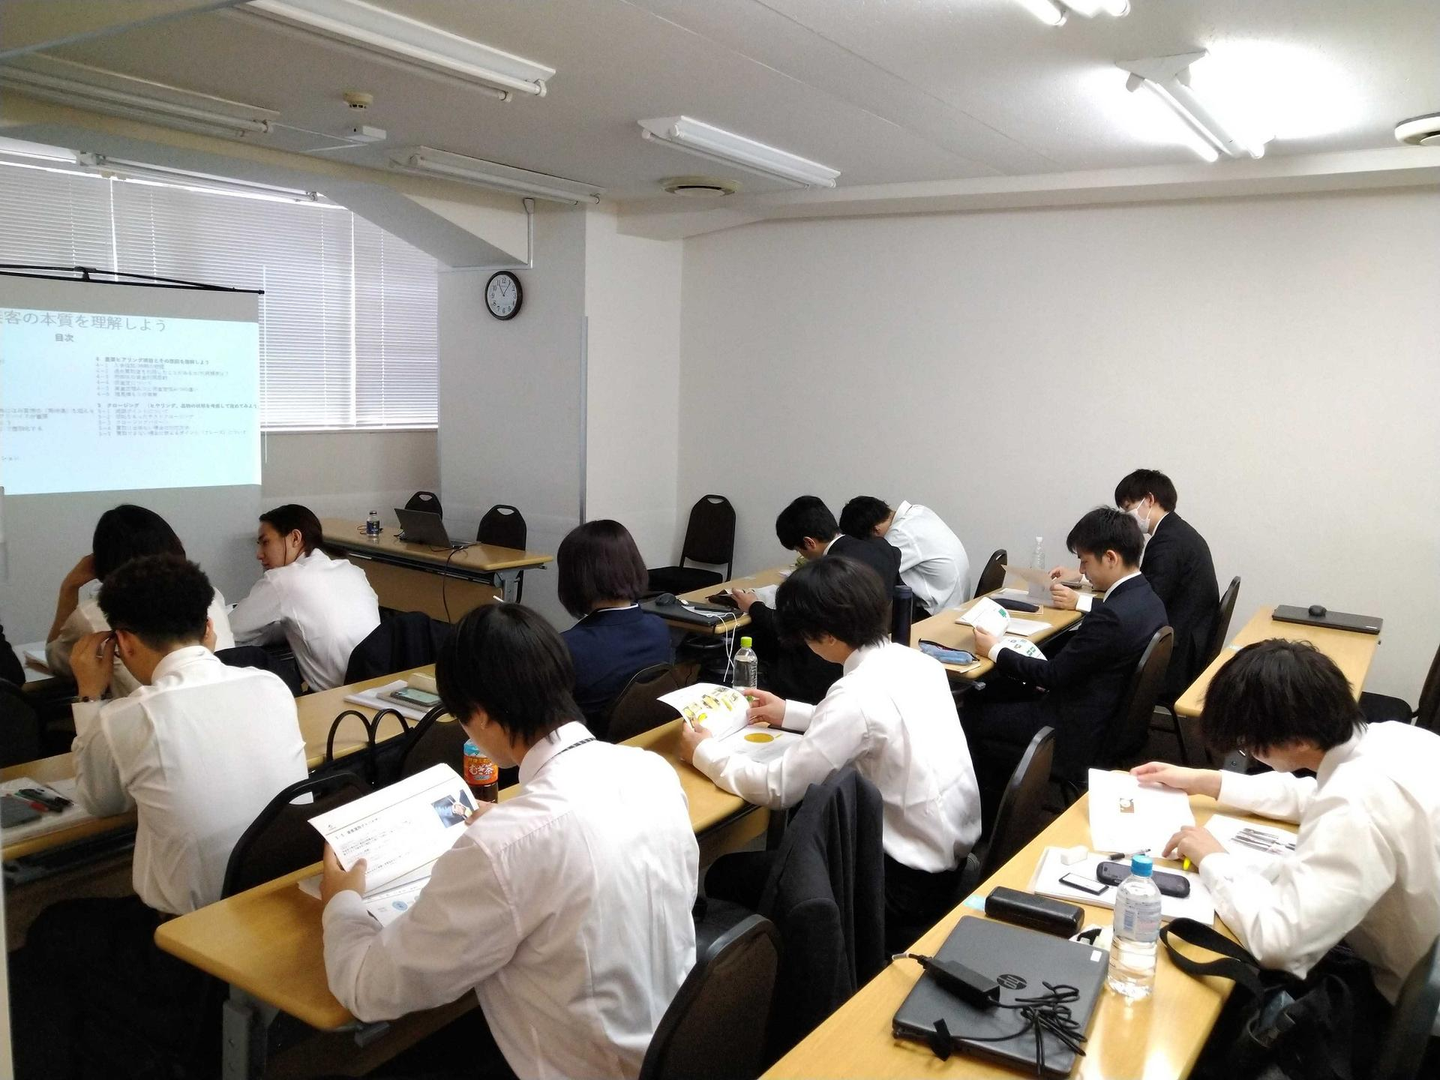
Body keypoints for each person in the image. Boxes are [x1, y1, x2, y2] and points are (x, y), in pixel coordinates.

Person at [321, 603, 699, 1080]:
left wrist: (342, 904)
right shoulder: (649, 770)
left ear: (479, 714)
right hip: (672, 1046)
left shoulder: (504, 847)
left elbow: (369, 988)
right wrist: (510, 830)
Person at [12, 554, 307, 1079]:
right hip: (274, 917)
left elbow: (100, 801)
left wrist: (89, 694)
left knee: (51, 928)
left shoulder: (131, 715)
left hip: (185, 956)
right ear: (209, 626)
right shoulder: (270, 686)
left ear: (122, 643)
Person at [1138, 639, 1440, 1044]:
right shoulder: (1394, 739)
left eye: (1249, 743)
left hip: (1411, 1018)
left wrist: (1214, 860)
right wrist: (1207, 781)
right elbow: (1315, 794)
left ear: (1298, 742)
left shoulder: (1355, 803)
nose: (1248, 751)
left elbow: (1280, 944)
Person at [680, 556, 981, 952]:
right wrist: (788, 711)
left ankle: (781, 969)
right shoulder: (916, 661)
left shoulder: (856, 696)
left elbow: (778, 788)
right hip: (949, 859)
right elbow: (874, 727)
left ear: (826, 636)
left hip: (901, 885)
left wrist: (703, 752)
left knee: (726, 873)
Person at [965, 508, 1166, 821]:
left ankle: (989, 817)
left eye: (1085, 561)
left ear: (1110, 558)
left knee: (970, 713)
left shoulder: (1111, 616)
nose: (1082, 571)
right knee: (997, 689)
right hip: (1103, 719)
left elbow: (1053, 675)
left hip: (1071, 731)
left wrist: (996, 650)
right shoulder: (1147, 598)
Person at [1049, 469, 1218, 701]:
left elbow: (1140, 606)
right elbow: (1141, 588)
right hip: (1184, 640)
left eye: (1128, 507)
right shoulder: (1176, 533)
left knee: (1065, 647)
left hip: (1175, 657)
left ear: (1149, 500)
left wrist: (1080, 601)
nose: (1127, 515)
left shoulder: (1167, 544)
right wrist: (1083, 576)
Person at [45, 504, 234, 697]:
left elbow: (57, 662)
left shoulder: (92, 613)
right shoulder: (209, 595)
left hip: (140, 709)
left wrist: (68, 588)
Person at [731, 496, 901, 703]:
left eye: (798, 550)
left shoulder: (834, 570)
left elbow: (792, 626)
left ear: (809, 542)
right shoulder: (882, 548)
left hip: (828, 665)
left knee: (760, 638)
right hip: (876, 644)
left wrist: (753, 606)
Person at [229, 503, 381, 690]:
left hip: (334, 699)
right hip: (380, 686)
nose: (259, 554)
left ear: (295, 538)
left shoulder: (284, 580)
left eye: (265, 542)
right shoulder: (353, 571)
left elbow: (231, 629)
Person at [556, 520, 673, 735]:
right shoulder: (659, 628)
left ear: (574, 578)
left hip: (589, 749)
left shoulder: (568, 647)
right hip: (644, 743)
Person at [840, 495, 970, 614]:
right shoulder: (919, 511)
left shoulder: (900, 534)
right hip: (956, 600)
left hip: (939, 613)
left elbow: (869, 578)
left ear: (875, 531)